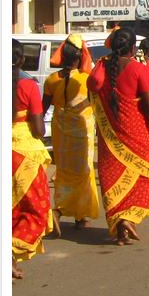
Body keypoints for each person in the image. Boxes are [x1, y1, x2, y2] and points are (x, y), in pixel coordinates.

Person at [87, 27, 149, 246]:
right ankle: (128, 218)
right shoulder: (138, 70)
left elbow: (91, 88)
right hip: (137, 134)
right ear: (133, 48)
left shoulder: (101, 67)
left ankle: (122, 220)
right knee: (146, 176)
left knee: (113, 177)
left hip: (110, 138)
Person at [42, 34, 98, 233]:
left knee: (64, 171)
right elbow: (96, 104)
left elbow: (43, 108)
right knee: (83, 171)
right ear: (80, 57)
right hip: (82, 130)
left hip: (60, 130)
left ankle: (60, 210)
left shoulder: (51, 79)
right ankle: (77, 215)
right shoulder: (86, 79)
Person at [12, 39, 53, 279]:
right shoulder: (27, 86)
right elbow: (39, 129)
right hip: (24, 153)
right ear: (20, 60)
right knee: (34, 208)